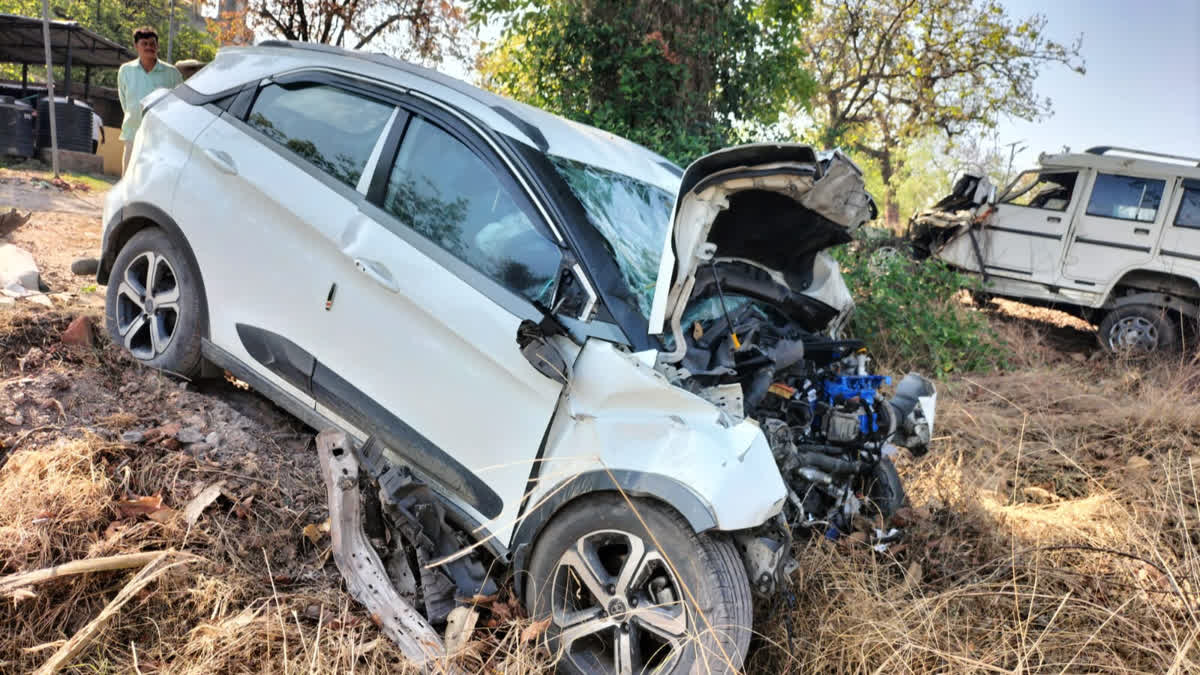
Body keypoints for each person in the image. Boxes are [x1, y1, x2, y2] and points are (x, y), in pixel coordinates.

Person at [117, 26, 181, 174]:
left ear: (157, 46)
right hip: (132, 132)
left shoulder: (172, 73)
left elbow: (179, 105)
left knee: (153, 182)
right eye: (144, 44)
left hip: (161, 137)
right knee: (128, 179)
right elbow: (125, 102)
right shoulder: (125, 71)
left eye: (152, 44)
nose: (149, 47)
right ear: (136, 46)